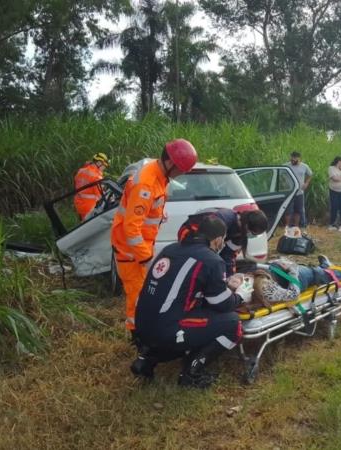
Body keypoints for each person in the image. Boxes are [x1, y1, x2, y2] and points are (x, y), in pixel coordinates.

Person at [130, 215, 246, 388]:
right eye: (222, 240)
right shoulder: (212, 260)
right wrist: (240, 294)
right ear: (217, 240)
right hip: (166, 330)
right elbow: (221, 303)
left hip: (140, 326)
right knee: (233, 324)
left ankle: (146, 358)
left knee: (174, 311)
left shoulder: (169, 249)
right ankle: (191, 373)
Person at [111, 139, 198, 333]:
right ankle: (136, 335)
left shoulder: (158, 173)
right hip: (129, 250)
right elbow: (131, 228)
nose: (181, 174)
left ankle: (143, 327)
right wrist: (146, 257)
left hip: (138, 247)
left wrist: (158, 214)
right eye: (180, 170)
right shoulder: (146, 185)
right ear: (170, 163)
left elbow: (147, 208)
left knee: (143, 290)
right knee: (136, 294)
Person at [177, 207, 269, 277]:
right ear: (247, 226)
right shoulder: (224, 219)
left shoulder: (240, 234)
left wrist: (231, 277)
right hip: (190, 231)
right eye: (253, 233)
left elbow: (228, 256)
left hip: (208, 241)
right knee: (199, 262)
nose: (251, 236)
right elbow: (207, 249)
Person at [251, 255, 341, 304]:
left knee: (313, 271)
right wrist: (292, 269)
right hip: (294, 277)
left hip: (281, 271)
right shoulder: (264, 289)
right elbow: (293, 294)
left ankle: (325, 266)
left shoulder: (240, 280)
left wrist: (276, 262)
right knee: (316, 274)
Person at [73, 153, 110, 221]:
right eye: (104, 166)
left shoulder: (81, 171)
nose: (104, 168)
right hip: (90, 206)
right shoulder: (96, 177)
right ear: (99, 163)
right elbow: (101, 195)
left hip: (79, 204)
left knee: (82, 225)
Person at [284, 151, 313, 228]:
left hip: (299, 193)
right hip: (289, 193)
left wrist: (306, 183)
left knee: (298, 210)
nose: (292, 160)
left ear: (299, 158)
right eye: (291, 158)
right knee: (288, 211)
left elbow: (310, 175)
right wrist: (284, 183)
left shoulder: (304, 166)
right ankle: (287, 227)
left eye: (294, 158)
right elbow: (280, 174)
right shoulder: (286, 166)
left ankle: (296, 227)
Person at [327, 156, 341, 232]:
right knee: (334, 207)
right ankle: (332, 224)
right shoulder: (331, 168)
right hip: (333, 190)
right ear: (339, 161)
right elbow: (334, 178)